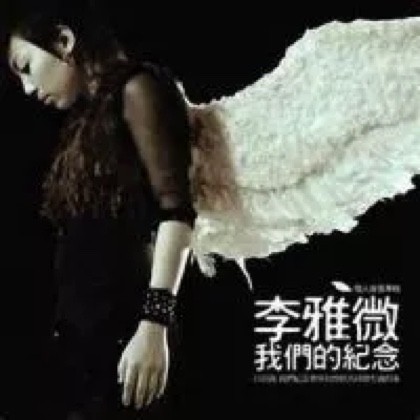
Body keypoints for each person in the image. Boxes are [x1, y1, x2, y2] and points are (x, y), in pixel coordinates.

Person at [3, 4, 197, 419]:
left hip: (129, 340)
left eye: (27, 67)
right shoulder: (85, 119)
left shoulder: (139, 88)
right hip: (83, 346)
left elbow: (177, 213)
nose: (28, 89)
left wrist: (154, 324)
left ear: (64, 41)